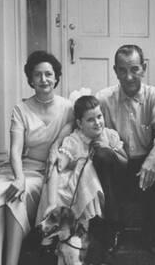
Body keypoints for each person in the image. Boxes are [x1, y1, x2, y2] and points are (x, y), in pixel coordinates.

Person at [0, 51, 74, 265]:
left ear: (56, 78)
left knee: (15, 199)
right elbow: (14, 150)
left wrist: (57, 147)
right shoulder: (21, 109)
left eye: (48, 74)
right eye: (37, 74)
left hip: (48, 174)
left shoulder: (68, 107)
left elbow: (71, 136)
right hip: (21, 169)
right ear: (30, 79)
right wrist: (19, 177)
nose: (43, 79)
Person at [96, 44, 155, 251]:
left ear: (144, 68)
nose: (128, 77)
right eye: (122, 70)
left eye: (134, 69)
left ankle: (153, 232)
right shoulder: (103, 98)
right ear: (115, 71)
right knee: (100, 155)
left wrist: (154, 156)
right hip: (117, 165)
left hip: (144, 168)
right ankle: (112, 228)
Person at [36, 95, 127, 224]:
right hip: (83, 188)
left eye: (99, 116)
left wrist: (110, 149)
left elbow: (125, 161)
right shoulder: (74, 140)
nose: (97, 122)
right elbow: (57, 166)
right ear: (79, 123)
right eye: (90, 120)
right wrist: (51, 203)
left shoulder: (110, 135)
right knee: (86, 169)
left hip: (110, 186)